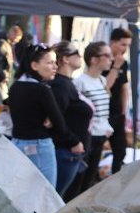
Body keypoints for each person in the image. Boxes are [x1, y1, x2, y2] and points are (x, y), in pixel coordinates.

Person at [5, 45, 76, 188]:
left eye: (55, 62)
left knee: (21, 193)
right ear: (34, 65)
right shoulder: (42, 89)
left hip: (17, 144)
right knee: (47, 195)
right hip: (39, 146)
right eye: (50, 62)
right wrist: (74, 142)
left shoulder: (15, 87)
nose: (55, 66)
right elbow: (59, 123)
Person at [70, 41, 114, 200]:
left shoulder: (102, 81)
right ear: (94, 59)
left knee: (89, 179)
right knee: (79, 178)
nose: (111, 59)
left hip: (101, 134)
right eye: (106, 55)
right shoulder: (79, 82)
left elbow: (104, 108)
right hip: (87, 135)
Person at [49, 41, 93, 198]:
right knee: (58, 198)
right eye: (77, 54)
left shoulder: (66, 83)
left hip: (71, 151)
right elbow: (56, 119)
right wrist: (73, 141)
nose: (80, 57)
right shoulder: (60, 85)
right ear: (66, 59)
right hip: (66, 151)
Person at [106, 27, 132, 174]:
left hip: (117, 113)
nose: (125, 49)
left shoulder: (124, 62)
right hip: (103, 113)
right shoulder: (102, 59)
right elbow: (105, 87)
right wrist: (115, 67)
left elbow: (123, 87)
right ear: (113, 42)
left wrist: (123, 111)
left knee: (120, 150)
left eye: (128, 45)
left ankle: (116, 178)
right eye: (123, 44)